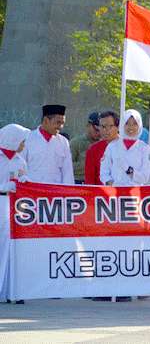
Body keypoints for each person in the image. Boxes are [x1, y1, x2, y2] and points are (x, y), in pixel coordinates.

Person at [0, 124, 29, 303]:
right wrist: (4, 187)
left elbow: (24, 177)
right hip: (1, 199)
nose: (23, 145)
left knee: (11, 249)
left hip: (14, 207)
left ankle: (11, 290)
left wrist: (25, 182)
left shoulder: (20, 160)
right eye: (21, 141)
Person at [21, 104, 74, 184]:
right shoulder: (28, 139)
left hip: (55, 193)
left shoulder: (63, 142)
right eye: (58, 122)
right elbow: (19, 165)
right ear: (46, 120)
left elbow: (67, 172)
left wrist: (69, 192)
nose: (61, 127)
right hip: (32, 191)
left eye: (62, 123)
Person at [99, 109, 150, 186]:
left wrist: (128, 170)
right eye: (127, 123)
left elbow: (145, 177)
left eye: (135, 124)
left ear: (139, 126)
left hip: (136, 194)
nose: (131, 127)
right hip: (115, 194)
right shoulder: (112, 146)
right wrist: (111, 183)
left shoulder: (145, 149)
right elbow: (104, 172)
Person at [84, 111, 119, 185]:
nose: (106, 130)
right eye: (103, 126)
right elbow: (89, 181)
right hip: (100, 195)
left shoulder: (127, 146)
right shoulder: (92, 150)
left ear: (118, 127)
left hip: (124, 193)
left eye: (110, 126)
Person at [70, 112, 100, 183]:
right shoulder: (76, 143)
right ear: (88, 126)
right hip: (80, 182)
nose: (98, 133)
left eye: (100, 130)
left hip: (98, 183)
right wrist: (90, 164)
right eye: (96, 130)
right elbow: (68, 166)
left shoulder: (105, 144)